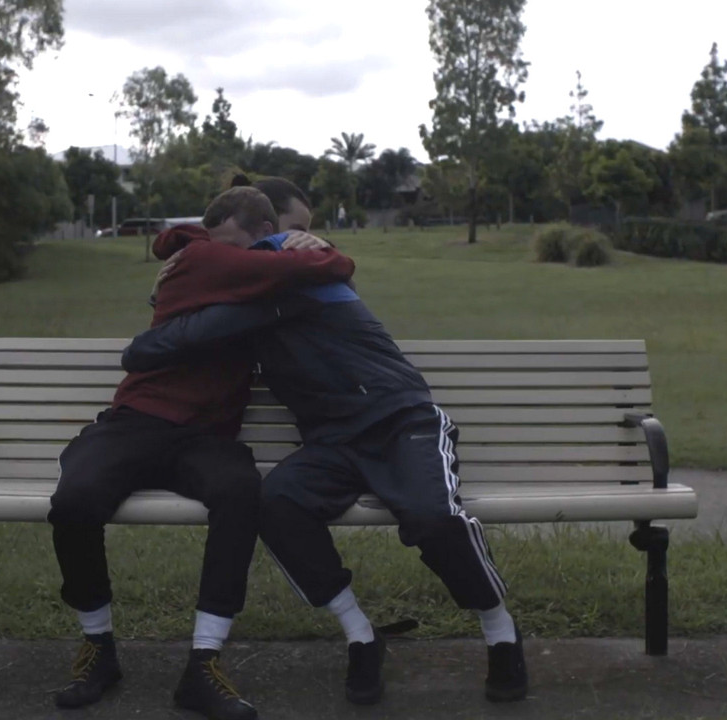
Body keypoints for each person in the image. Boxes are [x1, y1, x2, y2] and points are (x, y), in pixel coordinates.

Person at [120, 203, 529, 707]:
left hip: (401, 421)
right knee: (275, 503)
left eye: (230, 247)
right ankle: (361, 635)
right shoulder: (250, 274)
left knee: (433, 517)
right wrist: (166, 283)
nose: (221, 259)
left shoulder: (286, 269)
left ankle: (501, 632)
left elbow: (172, 338)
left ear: (272, 236)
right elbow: (188, 303)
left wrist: (177, 287)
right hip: (333, 442)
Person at [47, 185, 354, 720]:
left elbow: (182, 239)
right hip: (137, 420)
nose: (228, 250)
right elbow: (334, 267)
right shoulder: (217, 257)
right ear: (263, 233)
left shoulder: (213, 252)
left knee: (240, 495)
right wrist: (319, 245)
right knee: (75, 500)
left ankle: (203, 664)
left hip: (206, 437)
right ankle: (98, 647)